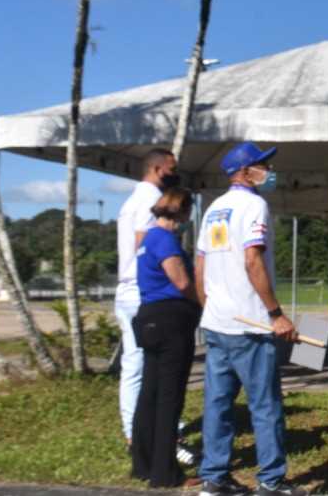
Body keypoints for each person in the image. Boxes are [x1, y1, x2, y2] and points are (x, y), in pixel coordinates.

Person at [195, 142, 303, 496]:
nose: (268, 171)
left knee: (217, 405)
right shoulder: (254, 205)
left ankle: (214, 477)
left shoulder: (214, 208)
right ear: (245, 171)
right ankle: (271, 481)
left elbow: (200, 264)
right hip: (250, 325)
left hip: (217, 322)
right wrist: (276, 314)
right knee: (265, 406)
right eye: (263, 165)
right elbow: (252, 260)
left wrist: (209, 307)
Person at [130, 188, 201, 488]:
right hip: (171, 319)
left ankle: (142, 463)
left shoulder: (147, 239)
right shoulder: (166, 240)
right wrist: (202, 303)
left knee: (150, 393)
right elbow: (181, 281)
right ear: (182, 211)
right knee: (170, 397)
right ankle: (165, 472)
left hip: (149, 317)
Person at [115, 149, 179, 445]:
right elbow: (146, 245)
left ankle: (134, 427)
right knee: (149, 366)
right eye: (171, 168)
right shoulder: (149, 201)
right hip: (143, 292)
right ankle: (144, 430)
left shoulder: (131, 200)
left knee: (134, 363)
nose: (174, 173)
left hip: (126, 289)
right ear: (156, 168)